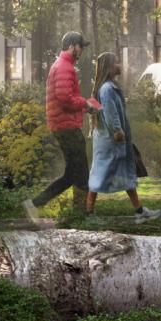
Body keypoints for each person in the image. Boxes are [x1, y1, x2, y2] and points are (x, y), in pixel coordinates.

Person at [26, 32, 100, 220]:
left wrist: (86, 107)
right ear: (72, 45)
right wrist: (85, 104)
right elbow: (65, 98)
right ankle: (83, 217)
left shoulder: (62, 66)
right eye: (81, 46)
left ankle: (35, 204)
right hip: (66, 128)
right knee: (81, 174)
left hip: (63, 124)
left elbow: (65, 100)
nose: (82, 50)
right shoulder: (64, 67)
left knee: (72, 174)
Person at [86, 52, 158, 220]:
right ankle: (88, 213)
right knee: (99, 176)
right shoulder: (107, 89)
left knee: (124, 174)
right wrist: (118, 132)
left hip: (111, 141)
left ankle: (140, 211)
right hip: (111, 141)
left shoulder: (107, 87)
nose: (120, 65)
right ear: (110, 67)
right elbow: (111, 114)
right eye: (117, 63)